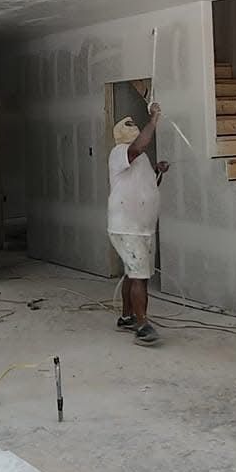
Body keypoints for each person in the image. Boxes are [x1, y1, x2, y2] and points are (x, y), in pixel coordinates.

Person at [107, 102, 169, 346]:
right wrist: (153, 120)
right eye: (131, 126)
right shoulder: (120, 152)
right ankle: (142, 325)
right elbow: (140, 144)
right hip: (127, 226)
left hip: (140, 226)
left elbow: (145, 186)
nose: (135, 129)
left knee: (133, 274)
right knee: (140, 276)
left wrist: (157, 171)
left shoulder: (139, 158)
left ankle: (127, 317)